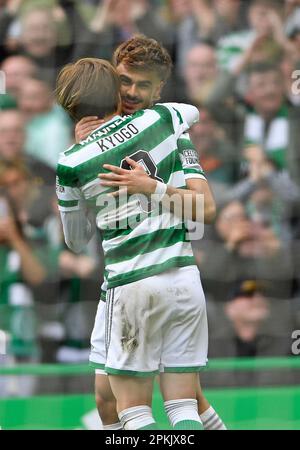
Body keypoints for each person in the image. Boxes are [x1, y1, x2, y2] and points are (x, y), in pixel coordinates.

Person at [55, 57, 216, 430]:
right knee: (182, 407)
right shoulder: (159, 119)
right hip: (185, 278)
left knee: (135, 412)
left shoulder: (71, 162)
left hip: (132, 283)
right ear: (116, 93)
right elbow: (190, 111)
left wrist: (87, 151)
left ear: (70, 107)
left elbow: (77, 242)